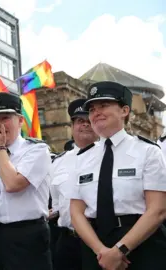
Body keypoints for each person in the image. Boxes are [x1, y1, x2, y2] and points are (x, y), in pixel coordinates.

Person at [69, 81, 166, 270]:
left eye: (103, 105)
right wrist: (102, 252)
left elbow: (158, 210)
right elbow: (76, 212)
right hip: (95, 248)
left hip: (141, 243)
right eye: (92, 109)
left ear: (124, 110)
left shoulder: (148, 151)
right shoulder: (82, 158)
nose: (96, 113)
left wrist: (119, 250)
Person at [0, 92, 53, 270]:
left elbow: (13, 184)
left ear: (20, 121)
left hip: (24, 236)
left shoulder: (36, 150)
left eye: (5, 118)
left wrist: (0, 148)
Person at [49, 98, 98, 270]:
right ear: (72, 126)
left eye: (89, 121)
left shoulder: (108, 155)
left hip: (99, 239)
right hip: (67, 240)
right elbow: (56, 202)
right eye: (79, 121)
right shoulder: (59, 162)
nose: (85, 125)